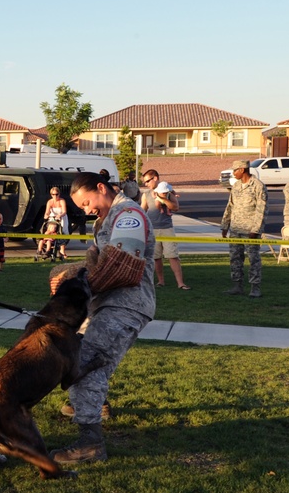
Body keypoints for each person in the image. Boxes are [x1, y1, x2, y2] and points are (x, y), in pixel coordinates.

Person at [51, 172, 155, 465]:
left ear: (101, 188)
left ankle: (90, 443)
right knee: (87, 359)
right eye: (81, 208)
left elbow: (122, 269)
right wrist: (68, 275)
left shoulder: (128, 216)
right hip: (106, 305)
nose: (86, 210)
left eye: (87, 202)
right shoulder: (105, 221)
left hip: (126, 305)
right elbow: (95, 263)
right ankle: (95, 404)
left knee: (83, 364)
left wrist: (75, 290)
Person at [220, 160, 267, 298]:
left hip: (250, 230)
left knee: (253, 259)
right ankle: (237, 285)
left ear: (243, 170)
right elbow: (230, 206)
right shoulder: (236, 186)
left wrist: (256, 229)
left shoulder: (258, 186)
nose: (234, 173)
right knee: (235, 258)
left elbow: (262, 209)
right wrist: (225, 225)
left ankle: (255, 287)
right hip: (235, 229)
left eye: (235, 170)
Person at [141, 175, 189, 290]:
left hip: (167, 229)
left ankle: (180, 283)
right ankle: (161, 281)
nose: (146, 184)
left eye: (148, 181)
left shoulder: (169, 192)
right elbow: (142, 210)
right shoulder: (146, 194)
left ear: (155, 178)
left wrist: (164, 199)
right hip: (152, 230)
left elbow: (176, 207)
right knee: (156, 257)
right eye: (145, 182)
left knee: (172, 256)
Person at [43, 186, 70, 257]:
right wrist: (46, 215)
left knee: (62, 233)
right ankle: (49, 248)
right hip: (53, 220)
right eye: (53, 194)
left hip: (62, 218)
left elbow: (64, 211)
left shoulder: (62, 201)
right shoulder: (49, 202)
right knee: (51, 232)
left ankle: (62, 251)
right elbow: (47, 212)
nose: (55, 196)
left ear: (59, 194)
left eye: (56, 194)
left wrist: (60, 215)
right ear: (51, 194)